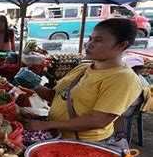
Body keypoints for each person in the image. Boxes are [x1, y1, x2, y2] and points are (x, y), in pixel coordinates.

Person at [18, 18, 142, 146]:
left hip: (84, 144)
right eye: (90, 39)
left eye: (98, 40)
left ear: (122, 45)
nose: (89, 44)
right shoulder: (83, 67)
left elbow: (98, 121)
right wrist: (34, 85)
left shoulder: (123, 79)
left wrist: (47, 125)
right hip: (57, 135)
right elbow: (55, 96)